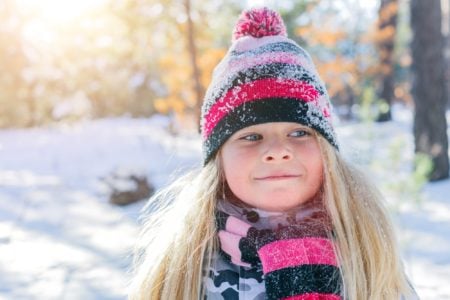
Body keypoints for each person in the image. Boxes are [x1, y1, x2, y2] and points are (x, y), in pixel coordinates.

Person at [129, 7, 418, 300]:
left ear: (327, 151)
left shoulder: (367, 250)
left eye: (299, 132)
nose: (278, 151)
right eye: (251, 136)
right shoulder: (184, 267)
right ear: (219, 159)